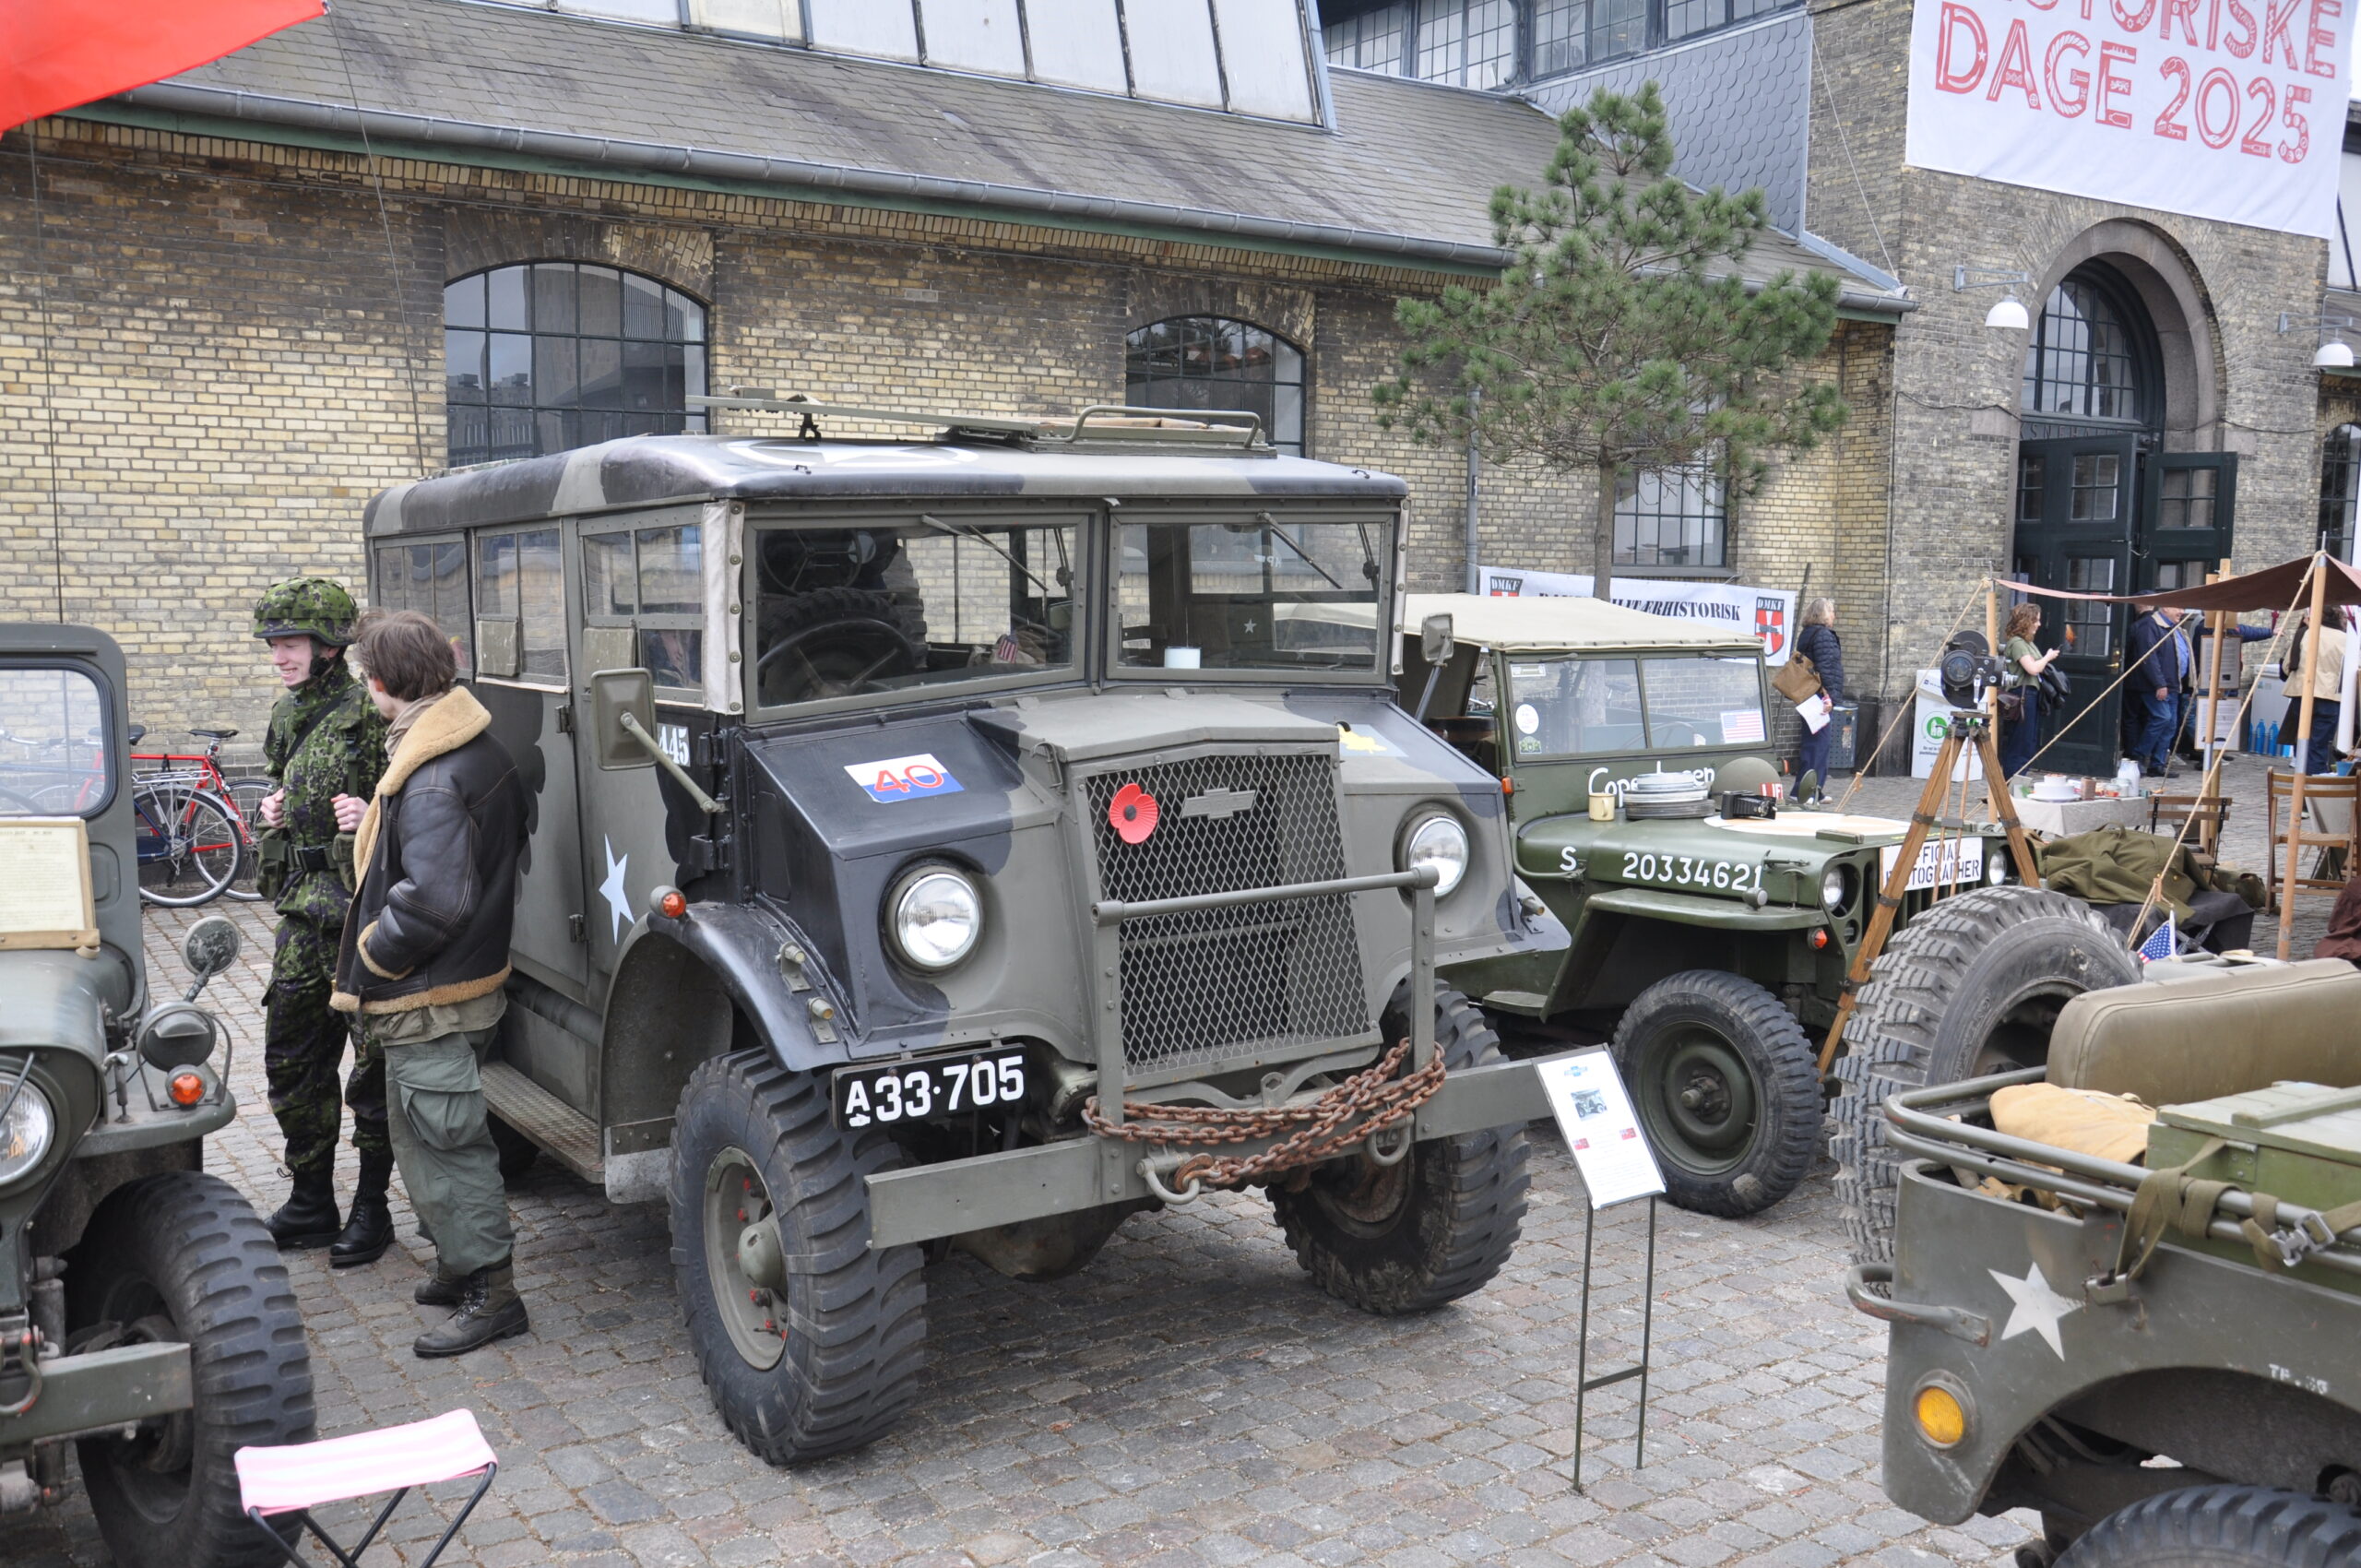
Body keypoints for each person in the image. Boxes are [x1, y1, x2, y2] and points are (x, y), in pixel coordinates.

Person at [331, 609, 530, 1358]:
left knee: (449, 1147)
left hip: (429, 993)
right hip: (453, 985)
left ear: (382, 684)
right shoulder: (465, 744)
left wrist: (374, 957)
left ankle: (492, 1293)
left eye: (366, 679)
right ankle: (458, 1263)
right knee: (423, 1133)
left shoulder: (433, 774)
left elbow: (436, 900)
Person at [251, 577, 393, 1265]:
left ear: (330, 647)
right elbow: (277, 783)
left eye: (290, 643)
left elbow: (417, 805)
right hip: (303, 914)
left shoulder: (370, 714)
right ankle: (311, 1200)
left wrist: (374, 817)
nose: (278, 656)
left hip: (360, 918)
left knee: (371, 1068)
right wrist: (268, 812)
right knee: (292, 1057)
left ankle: (373, 1209)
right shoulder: (286, 715)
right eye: (273, 644)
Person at [2125, 605, 2196, 776]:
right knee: (2162, 718)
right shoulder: (2151, 625)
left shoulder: (2175, 628)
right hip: (2158, 685)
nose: (2182, 611)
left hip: (2173, 685)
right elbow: (2149, 657)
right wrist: (2159, 684)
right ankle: (2139, 755)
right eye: (2177, 608)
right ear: (2164, 608)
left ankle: (2158, 764)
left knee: (2170, 726)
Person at [1999, 602, 2058, 779]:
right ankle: (2011, 786)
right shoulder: (2017, 643)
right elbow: (2032, 668)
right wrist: (2048, 657)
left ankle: (2018, 783)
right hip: (2021, 696)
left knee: (2028, 744)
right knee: (2019, 744)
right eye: (2036, 620)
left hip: (2031, 694)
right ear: (2026, 621)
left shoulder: (2027, 642)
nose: (2039, 624)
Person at [2286, 608, 2350, 776]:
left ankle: (2300, 791)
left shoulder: (2304, 634)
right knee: (2319, 747)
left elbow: (2287, 667)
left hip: (2301, 694)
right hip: (2330, 697)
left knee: (2301, 745)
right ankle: (2313, 794)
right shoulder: (2347, 639)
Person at [1793, 598, 1844, 796]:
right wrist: (1828, 697)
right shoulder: (1823, 635)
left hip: (1807, 695)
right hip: (1818, 698)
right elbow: (1827, 668)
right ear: (1824, 614)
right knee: (1819, 745)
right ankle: (1808, 792)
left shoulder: (1807, 633)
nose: (1834, 616)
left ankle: (1807, 790)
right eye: (1831, 612)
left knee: (1812, 743)